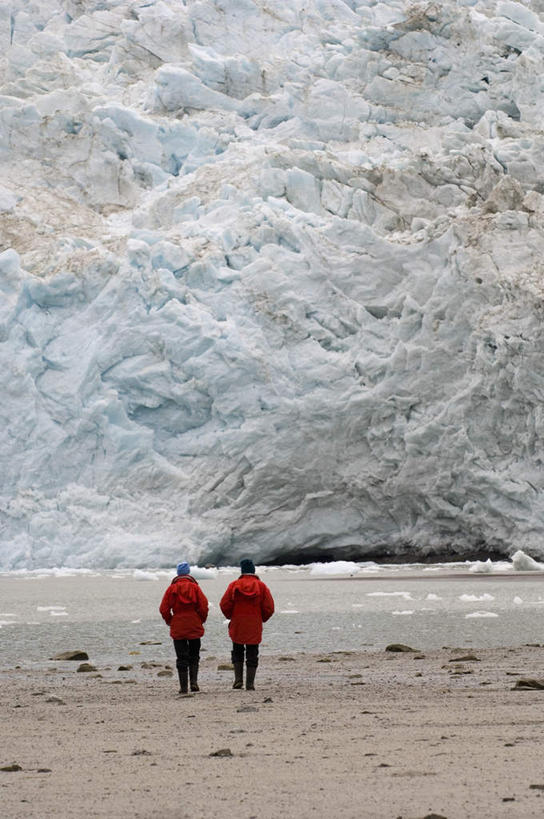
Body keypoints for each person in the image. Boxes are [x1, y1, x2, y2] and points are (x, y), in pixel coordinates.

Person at [220, 558, 275, 690]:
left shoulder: (234, 585)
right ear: (253, 570)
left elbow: (224, 604)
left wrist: (230, 616)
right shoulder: (261, 586)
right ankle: (250, 683)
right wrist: (262, 619)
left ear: (242, 570)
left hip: (238, 622)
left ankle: (238, 680)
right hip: (254, 623)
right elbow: (269, 607)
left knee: (237, 650)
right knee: (252, 652)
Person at [159, 562, 208, 695]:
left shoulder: (171, 589)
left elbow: (163, 609)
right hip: (194, 623)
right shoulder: (195, 588)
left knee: (181, 657)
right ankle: (194, 682)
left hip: (178, 624)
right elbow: (204, 606)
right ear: (188, 573)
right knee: (194, 655)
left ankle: (183, 687)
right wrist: (200, 620)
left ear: (177, 573)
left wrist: (170, 621)